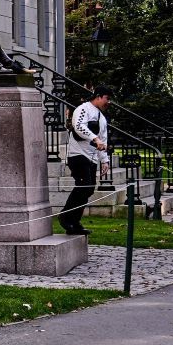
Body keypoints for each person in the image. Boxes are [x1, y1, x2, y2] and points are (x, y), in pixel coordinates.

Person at [60, 87, 112, 236]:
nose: (108, 102)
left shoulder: (102, 118)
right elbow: (78, 126)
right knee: (83, 186)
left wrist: (105, 160)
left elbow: (104, 140)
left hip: (92, 157)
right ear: (98, 96)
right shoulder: (83, 109)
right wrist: (94, 138)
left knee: (88, 189)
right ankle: (66, 217)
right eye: (107, 98)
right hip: (78, 155)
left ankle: (74, 222)